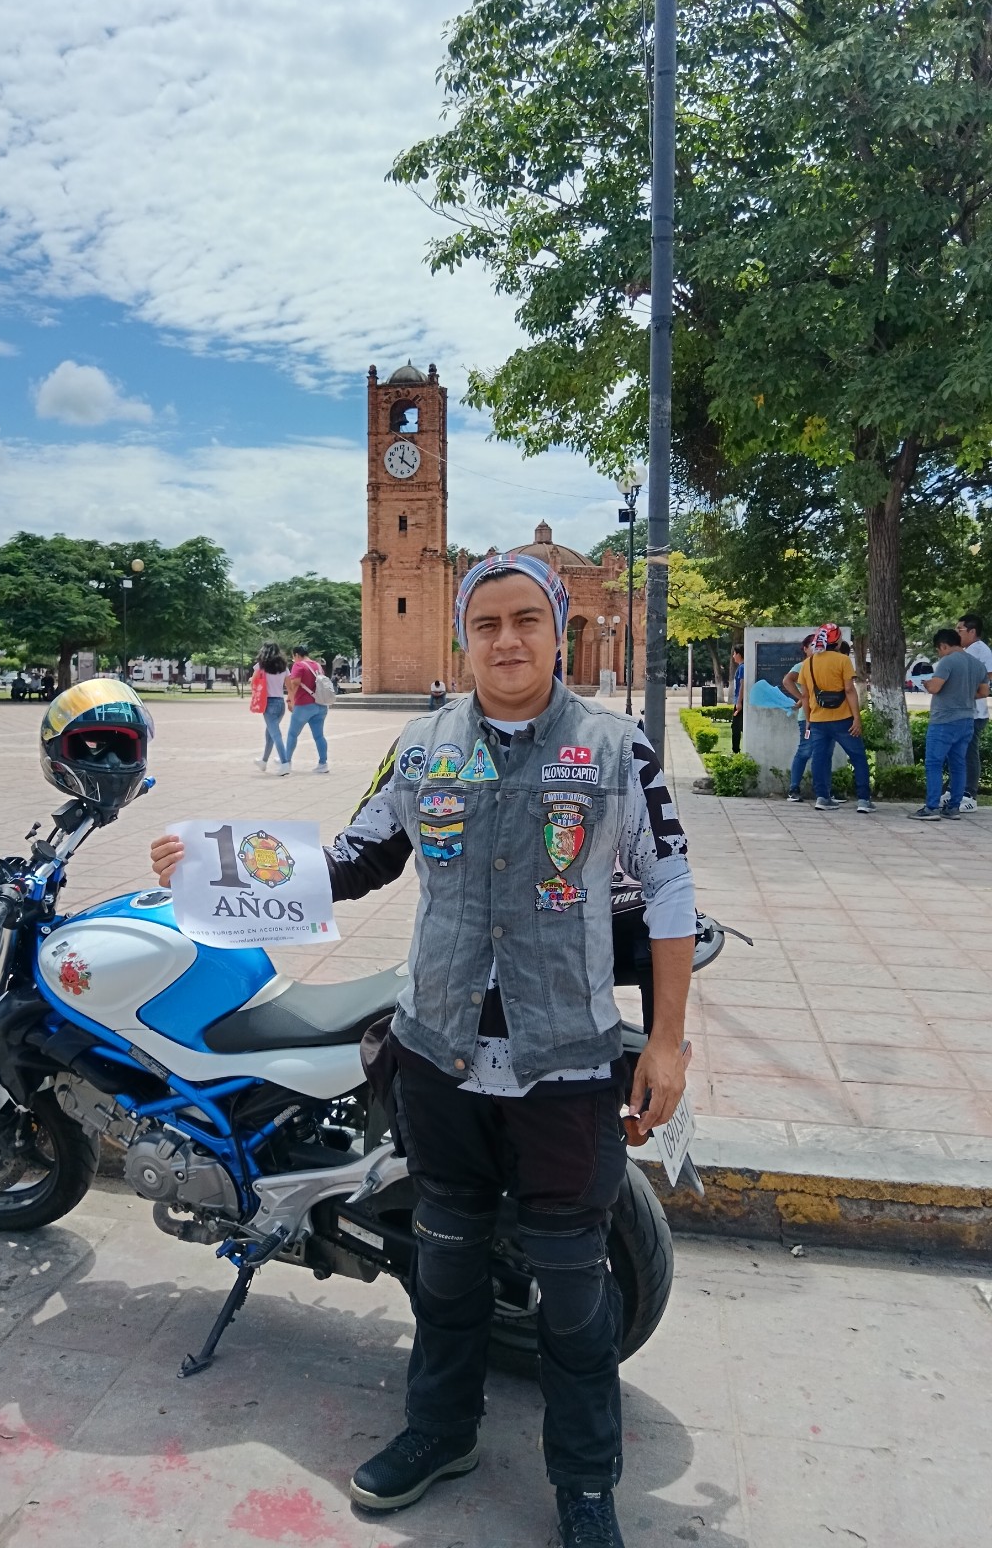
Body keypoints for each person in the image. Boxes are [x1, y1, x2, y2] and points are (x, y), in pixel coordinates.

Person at [150, 552, 695, 1548]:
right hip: (438, 1056)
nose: (508, 641)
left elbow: (667, 890)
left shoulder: (615, 750)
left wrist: (667, 1040)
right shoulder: (421, 746)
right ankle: (439, 1431)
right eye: (486, 624)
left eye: (527, 619)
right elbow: (357, 857)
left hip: (564, 1066)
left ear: (558, 624)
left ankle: (584, 1483)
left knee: (574, 1289)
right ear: (463, 636)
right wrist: (210, 870)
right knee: (445, 1262)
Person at [911, 628, 989, 821]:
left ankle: (931, 807)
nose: (940, 653)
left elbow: (936, 687)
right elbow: (983, 692)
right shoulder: (977, 664)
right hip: (967, 719)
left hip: (944, 720)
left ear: (944, 645)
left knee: (934, 763)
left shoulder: (947, 661)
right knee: (958, 764)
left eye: (939, 649)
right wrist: (961, 694)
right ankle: (953, 807)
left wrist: (926, 684)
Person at [797, 624, 871, 813]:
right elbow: (849, 690)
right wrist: (857, 718)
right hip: (844, 719)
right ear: (837, 641)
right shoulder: (843, 661)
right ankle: (863, 800)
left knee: (819, 759)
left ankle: (822, 797)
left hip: (818, 721)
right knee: (858, 757)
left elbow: (805, 696)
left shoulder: (808, 663)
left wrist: (808, 719)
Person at [955, 614, 992, 811]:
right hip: (961, 711)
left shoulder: (982, 650)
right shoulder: (965, 650)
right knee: (957, 753)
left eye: (959, 630)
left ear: (972, 631)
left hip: (975, 713)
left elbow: (987, 677)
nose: (956, 633)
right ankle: (956, 790)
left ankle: (970, 794)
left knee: (970, 753)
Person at [781, 634, 816, 801]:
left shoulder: (824, 665)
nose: (816, 649)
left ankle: (824, 790)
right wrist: (802, 697)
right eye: (813, 646)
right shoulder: (801, 666)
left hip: (826, 718)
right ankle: (793, 789)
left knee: (823, 754)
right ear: (805, 648)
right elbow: (787, 681)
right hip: (807, 718)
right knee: (805, 750)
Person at [284, 644, 329, 773]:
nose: (294, 660)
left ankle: (287, 762)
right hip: (321, 705)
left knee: (292, 734)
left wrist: (290, 700)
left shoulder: (299, 665)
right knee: (319, 735)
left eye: (293, 657)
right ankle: (323, 763)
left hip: (304, 705)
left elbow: (295, 683)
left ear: (297, 655)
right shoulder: (318, 666)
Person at [251, 643, 291, 777]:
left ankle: (285, 763)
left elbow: (253, 682)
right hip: (280, 703)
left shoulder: (261, 665)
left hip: (268, 703)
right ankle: (263, 761)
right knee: (270, 733)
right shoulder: (284, 666)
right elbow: (289, 686)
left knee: (275, 734)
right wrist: (291, 700)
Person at [729, 643, 744, 753]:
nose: (733, 656)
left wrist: (739, 703)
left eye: (734, 653)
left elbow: (743, 684)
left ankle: (736, 751)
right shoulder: (741, 667)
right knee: (736, 727)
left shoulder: (742, 667)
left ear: (739, 654)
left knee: (736, 728)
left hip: (740, 701)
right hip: (739, 700)